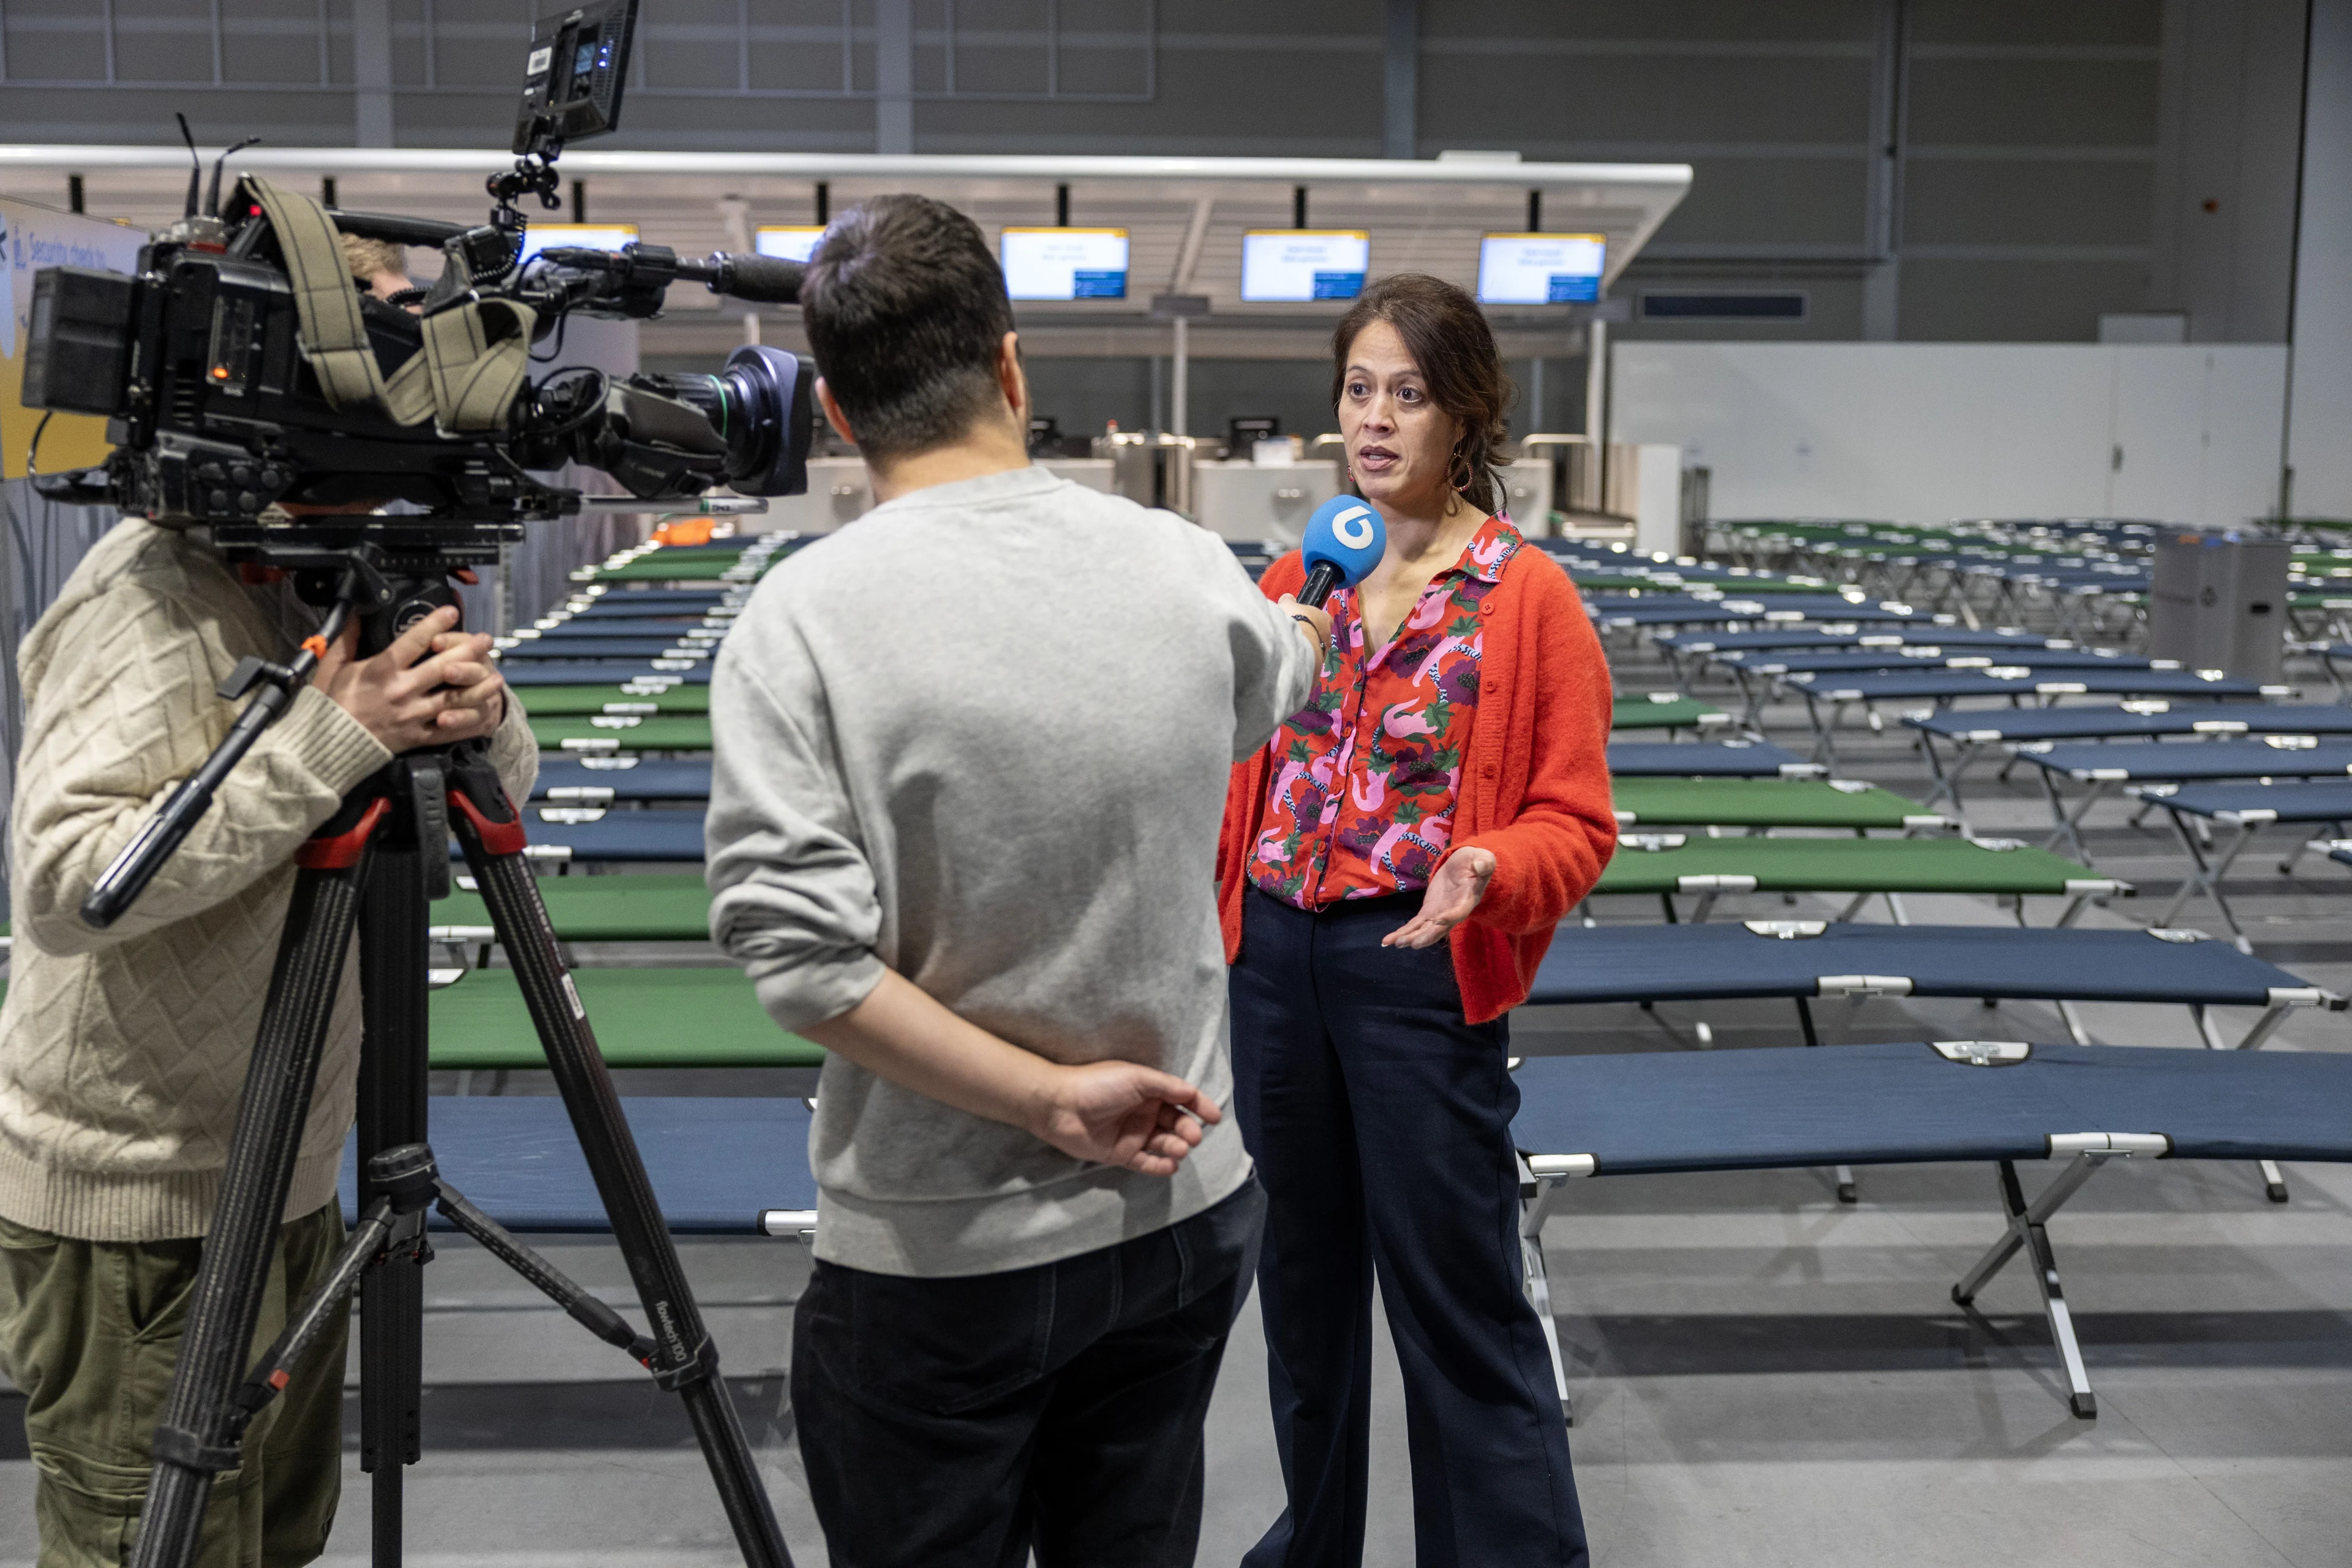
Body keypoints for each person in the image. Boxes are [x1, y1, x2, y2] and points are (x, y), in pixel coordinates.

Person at [703, 192, 1330, 1567]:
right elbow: (1284, 669)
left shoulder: (800, 620)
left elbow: (804, 958)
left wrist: (1046, 1099)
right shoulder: (1181, 563)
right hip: (1180, 1207)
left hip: (941, 1250)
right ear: (1010, 365)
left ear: (836, 408)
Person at [0, 511, 535, 1567]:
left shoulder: (331, 575)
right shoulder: (154, 592)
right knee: (162, 1546)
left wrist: (483, 708)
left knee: (275, 1540)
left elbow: (497, 795)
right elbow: (68, 885)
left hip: (288, 1171)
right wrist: (343, 736)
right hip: (139, 1202)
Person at [1216, 272, 1618, 1567]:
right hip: (1279, 966)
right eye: (1359, 387)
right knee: (1304, 1300)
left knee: (1459, 1306)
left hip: (1416, 973)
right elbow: (1244, 766)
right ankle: (1315, 1541)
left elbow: (1578, 818)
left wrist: (1491, 869)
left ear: (1466, 418)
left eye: (1410, 392)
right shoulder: (1302, 567)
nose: (1377, 416)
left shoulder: (1523, 593)